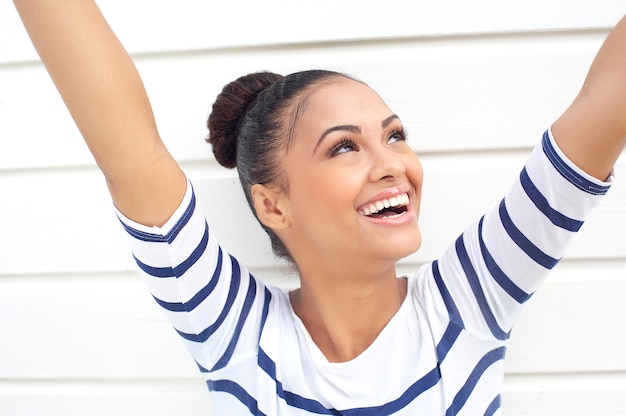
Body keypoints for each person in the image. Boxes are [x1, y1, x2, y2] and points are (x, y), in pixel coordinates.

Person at [13, 0, 625, 414]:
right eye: (345, 147)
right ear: (272, 205)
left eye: (394, 134)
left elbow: (604, 106)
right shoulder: (239, 335)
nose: (393, 164)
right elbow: (129, 152)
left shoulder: (468, 302)